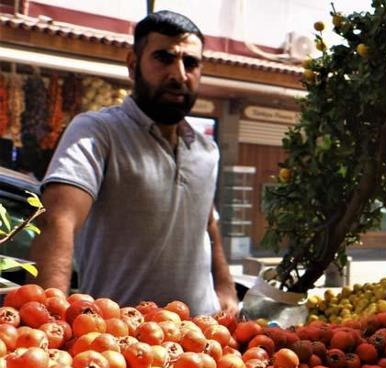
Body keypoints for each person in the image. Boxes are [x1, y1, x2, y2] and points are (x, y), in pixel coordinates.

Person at [29, 10, 237, 316]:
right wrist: (50, 320)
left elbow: (207, 222)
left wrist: (225, 286)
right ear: (132, 65)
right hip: (121, 345)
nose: (179, 75)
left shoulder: (207, 150)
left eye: (190, 63)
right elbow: (58, 219)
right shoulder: (98, 132)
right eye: (164, 58)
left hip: (203, 341)